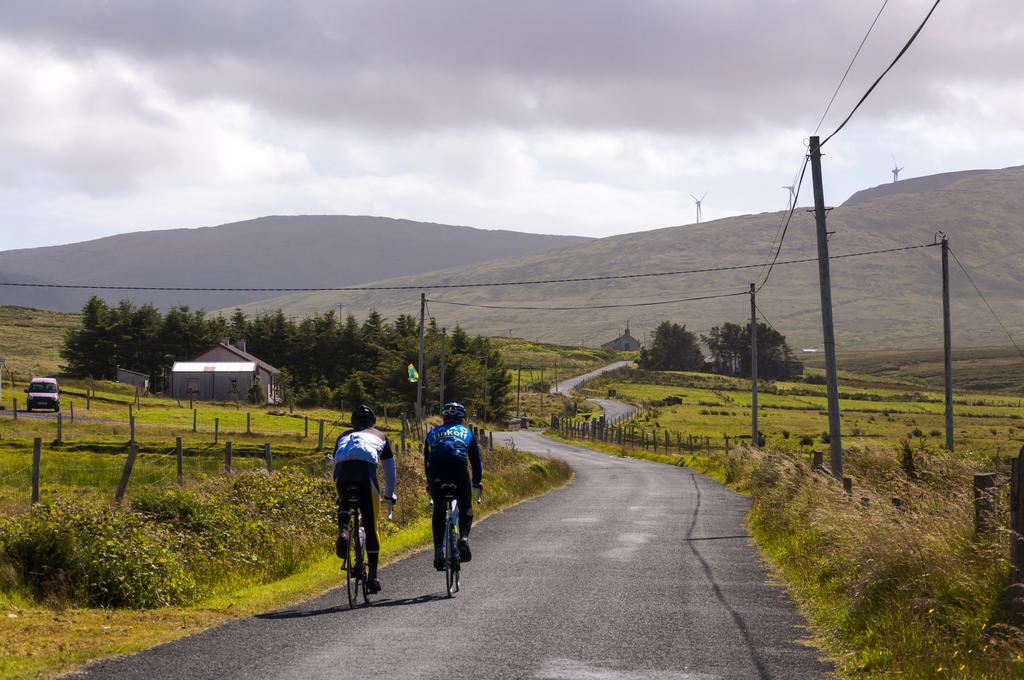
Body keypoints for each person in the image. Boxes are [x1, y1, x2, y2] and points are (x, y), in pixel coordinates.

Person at [333, 404, 396, 594]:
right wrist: (389, 494)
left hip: (342, 472)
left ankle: (344, 530)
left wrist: (338, 495)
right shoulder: (380, 436)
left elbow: (335, 462)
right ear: (372, 422)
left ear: (353, 422)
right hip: (365, 471)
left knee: (344, 502)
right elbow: (390, 471)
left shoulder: (343, 436)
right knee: (371, 525)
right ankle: (373, 576)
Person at [424, 402, 483, 571]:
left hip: (436, 471)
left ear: (443, 419)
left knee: (439, 511)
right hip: (458, 469)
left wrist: (429, 482)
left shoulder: (433, 433)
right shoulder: (466, 432)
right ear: (461, 419)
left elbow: (427, 461)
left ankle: (437, 554)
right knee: (466, 508)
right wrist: (476, 482)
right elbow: (476, 463)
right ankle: (463, 538)